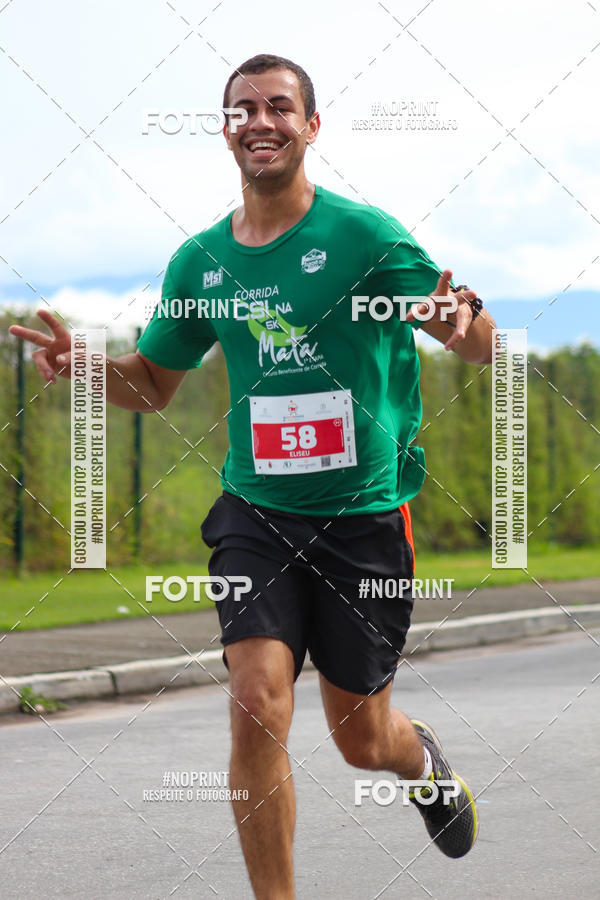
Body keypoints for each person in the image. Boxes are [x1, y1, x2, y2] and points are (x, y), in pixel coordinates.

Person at [10, 53, 496, 899]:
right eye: (242, 109)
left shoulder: (365, 238)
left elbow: (474, 335)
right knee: (257, 699)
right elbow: (154, 385)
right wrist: (88, 367)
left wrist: (461, 321)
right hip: (257, 512)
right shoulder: (200, 263)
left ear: (311, 127)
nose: (260, 121)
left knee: (360, 737)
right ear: (226, 130)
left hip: (365, 518)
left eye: (279, 106)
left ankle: (420, 762)